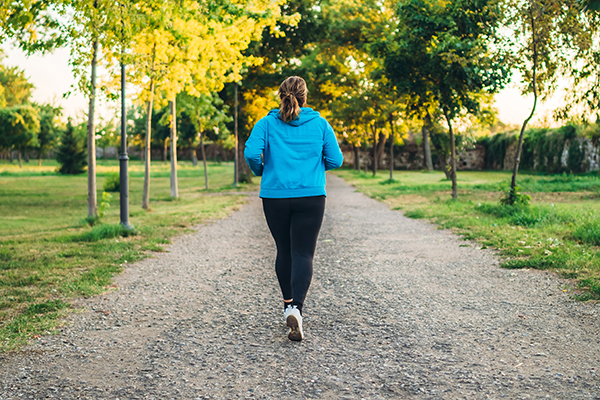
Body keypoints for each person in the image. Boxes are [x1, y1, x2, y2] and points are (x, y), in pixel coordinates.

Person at [244, 76, 344, 341]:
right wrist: (316, 166)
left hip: (275, 196)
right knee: (303, 252)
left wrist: (262, 171)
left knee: (284, 250)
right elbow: (336, 159)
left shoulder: (266, 123)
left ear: (281, 96)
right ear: (305, 96)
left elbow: (252, 153)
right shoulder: (320, 124)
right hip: (311, 196)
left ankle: (287, 303)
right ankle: (296, 309)